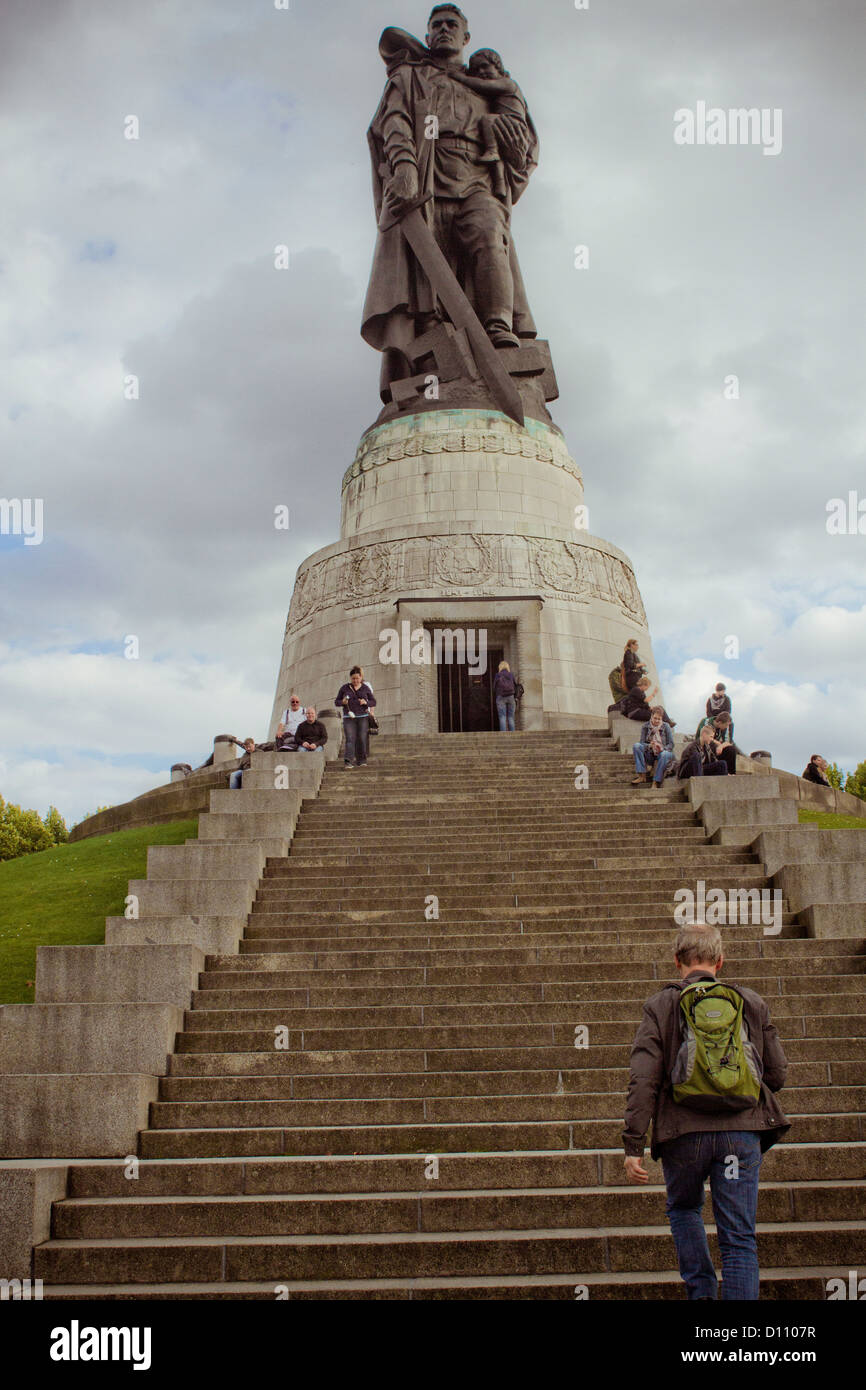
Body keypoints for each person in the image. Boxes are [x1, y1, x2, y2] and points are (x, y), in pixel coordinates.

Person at [362, 5, 541, 400]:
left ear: (466, 38)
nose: (443, 31)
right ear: (427, 37)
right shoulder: (410, 77)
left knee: (489, 233)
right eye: (436, 26)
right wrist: (405, 165)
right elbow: (393, 123)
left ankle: (497, 328)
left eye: (452, 26)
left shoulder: (487, 84)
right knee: (427, 281)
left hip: (476, 179)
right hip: (426, 178)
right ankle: (434, 363)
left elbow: (523, 146)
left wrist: (514, 149)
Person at [623, 924, 790, 1300]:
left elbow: (644, 1078)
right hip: (739, 1135)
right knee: (739, 1237)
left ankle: (701, 1296)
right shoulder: (750, 1001)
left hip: (683, 1135)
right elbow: (777, 1074)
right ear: (720, 960)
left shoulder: (660, 1006)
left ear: (676, 961)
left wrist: (633, 1143)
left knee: (684, 1209)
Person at [450, 49, 529, 199]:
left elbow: (482, 86)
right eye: (476, 70)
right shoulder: (428, 80)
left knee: (488, 122)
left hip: (510, 125)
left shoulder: (507, 84)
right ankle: (499, 185)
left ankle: (493, 152)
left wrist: (460, 78)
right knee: (494, 158)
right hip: (445, 157)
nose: (481, 72)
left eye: (485, 66)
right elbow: (429, 123)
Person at [335, 666, 377, 767]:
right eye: (353, 678)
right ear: (350, 678)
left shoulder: (365, 688)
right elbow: (336, 702)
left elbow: (373, 701)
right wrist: (343, 702)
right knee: (350, 738)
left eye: (357, 678)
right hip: (349, 717)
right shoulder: (345, 688)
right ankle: (348, 761)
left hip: (363, 716)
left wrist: (366, 702)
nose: (355, 680)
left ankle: (361, 760)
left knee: (362, 738)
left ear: (361, 678)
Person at [631, 707, 674, 788]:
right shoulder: (645, 726)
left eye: (659, 719)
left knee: (665, 754)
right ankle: (642, 776)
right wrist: (650, 745)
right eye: (655, 718)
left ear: (662, 718)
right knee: (637, 746)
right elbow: (642, 743)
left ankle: (655, 781)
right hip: (650, 753)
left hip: (663, 753)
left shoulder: (666, 726)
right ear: (651, 716)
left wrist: (662, 748)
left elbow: (671, 744)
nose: (657, 721)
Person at [609, 676, 675, 727]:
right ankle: (666, 723)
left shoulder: (642, 693)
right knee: (656, 716)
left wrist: (650, 708)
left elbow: (644, 704)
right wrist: (654, 693)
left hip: (640, 711)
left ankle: (668, 722)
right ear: (643, 685)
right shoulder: (636, 690)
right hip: (634, 712)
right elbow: (646, 700)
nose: (647, 689)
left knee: (659, 708)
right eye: (647, 687)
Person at [493, 660, 517, 731]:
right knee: (511, 717)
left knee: (502, 717)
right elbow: (515, 685)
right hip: (511, 696)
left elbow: (494, 687)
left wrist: (497, 692)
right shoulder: (511, 674)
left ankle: (503, 734)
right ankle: (512, 733)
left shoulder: (498, 675)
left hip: (501, 696)